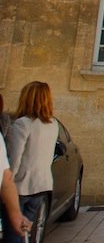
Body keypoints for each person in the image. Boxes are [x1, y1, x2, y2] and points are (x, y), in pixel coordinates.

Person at [3, 82, 58, 243]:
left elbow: (14, 159)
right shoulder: (53, 124)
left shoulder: (22, 124)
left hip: (20, 187)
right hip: (41, 186)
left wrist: (7, 185)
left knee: (13, 234)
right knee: (25, 233)